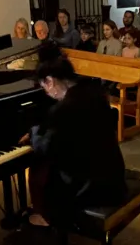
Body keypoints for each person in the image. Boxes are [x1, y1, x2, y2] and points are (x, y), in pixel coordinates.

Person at [24, 54, 126, 228]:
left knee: (43, 167)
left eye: (44, 88)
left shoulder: (66, 108)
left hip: (93, 187)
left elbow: (50, 147)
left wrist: (33, 134)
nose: (47, 94)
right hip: (113, 174)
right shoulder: (94, 92)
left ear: (50, 81)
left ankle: (49, 216)